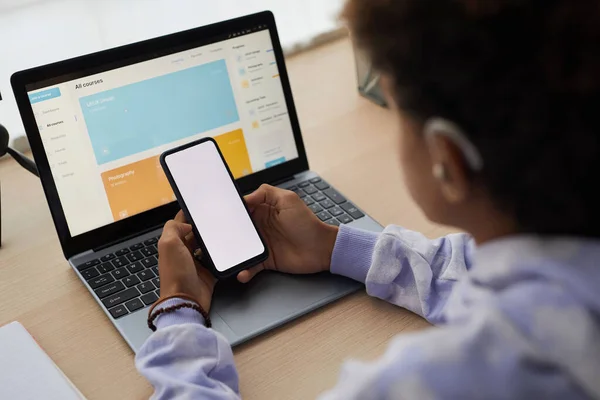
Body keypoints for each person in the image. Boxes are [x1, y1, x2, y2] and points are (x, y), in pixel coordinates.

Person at [136, 0, 600, 398]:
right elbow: (467, 269)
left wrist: (179, 308)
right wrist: (334, 246)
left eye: (396, 112)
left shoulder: (450, 379)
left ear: (448, 160)